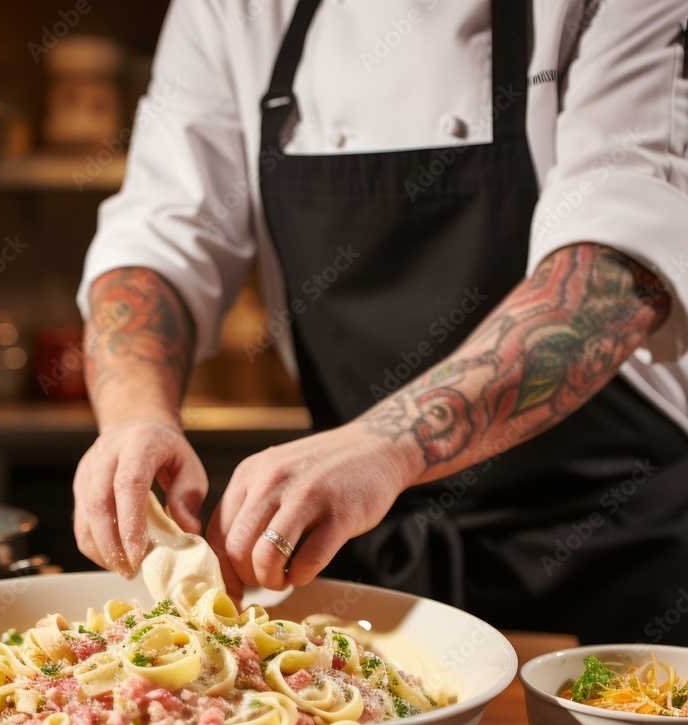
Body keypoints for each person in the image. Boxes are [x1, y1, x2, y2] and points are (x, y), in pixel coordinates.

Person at [72, 0, 688, 644]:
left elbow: (611, 281)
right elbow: (162, 232)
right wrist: (134, 414)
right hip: (365, 565)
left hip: (610, 560)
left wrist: (382, 446)